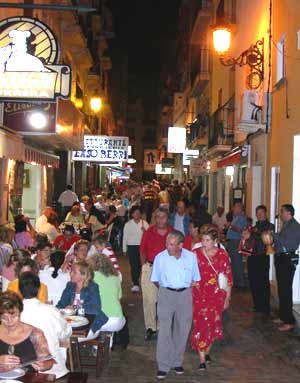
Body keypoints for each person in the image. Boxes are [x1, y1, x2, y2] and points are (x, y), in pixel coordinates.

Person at [151, 230, 200, 380]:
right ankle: (163, 365)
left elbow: (196, 278)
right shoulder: (160, 258)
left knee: (183, 329)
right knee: (165, 329)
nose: (167, 247)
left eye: (171, 244)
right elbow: (155, 279)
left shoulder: (191, 257)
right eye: (167, 243)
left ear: (180, 245)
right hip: (166, 293)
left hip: (185, 295)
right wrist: (167, 290)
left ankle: (177, 361)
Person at [191, 228, 232, 371]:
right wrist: (191, 282)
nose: (204, 243)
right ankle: (202, 359)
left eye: (208, 240)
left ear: (215, 241)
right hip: (198, 294)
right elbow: (188, 271)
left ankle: (207, 350)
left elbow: (228, 277)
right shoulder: (195, 254)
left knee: (213, 324)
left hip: (216, 295)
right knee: (200, 325)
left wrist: (227, 298)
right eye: (203, 240)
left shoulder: (222, 255)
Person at [19, 272, 72, 378]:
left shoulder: (14, 314)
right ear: (39, 290)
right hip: (53, 370)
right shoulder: (52, 311)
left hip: (21, 371)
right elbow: (66, 333)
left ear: (20, 291)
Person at [140, 207, 173, 340]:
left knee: (165, 300)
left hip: (167, 270)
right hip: (150, 266)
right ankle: (150, 327)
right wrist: (144, 267)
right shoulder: (149, 232)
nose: (160, 220)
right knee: (149, 299)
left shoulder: (172, 233)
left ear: (167, 218)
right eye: (158, 217)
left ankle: (163, 326)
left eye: (163, 217)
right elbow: (142, 250)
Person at [0, 291, 54, 372]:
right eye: (4, 318)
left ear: (20, 312)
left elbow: (49, 362)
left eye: (14, 316)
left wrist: (44, 365)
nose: (9, 321)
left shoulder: (35, 334)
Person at [56, 261, 108, 337]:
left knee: (68, 340)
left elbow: (95, 309)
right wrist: (59, 310)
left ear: (83, 275)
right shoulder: (70, 286)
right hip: (72, 324)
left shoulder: (92, 287)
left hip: (91, 324)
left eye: (74, 272)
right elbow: (60, 305)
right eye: (71, 271)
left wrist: (74, 308)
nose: (70, 274)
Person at [272, 204, 300, 331]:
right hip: (282, 258)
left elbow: (290, 243)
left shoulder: (295, 226)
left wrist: (275, 235)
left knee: (286, 290)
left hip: (287, 260)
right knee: (282, 289)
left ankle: (289, 321)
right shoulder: (288, 225)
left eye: (282, 211)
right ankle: (283, 317)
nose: (280, 214)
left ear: (288, 213)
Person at [89, 254, 126, 334]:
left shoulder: (90, 277)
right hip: (116, 320)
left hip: (97, 319)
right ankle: (108, 343)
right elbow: (118, 298)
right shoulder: (115, 278)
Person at [249, 205, 274, 315]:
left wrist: (255, 232)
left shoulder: (270, 226)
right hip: (252, 256)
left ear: (265, 213)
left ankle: (265, 307)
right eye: (257, 212)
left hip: (263, 256)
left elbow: (267, 239)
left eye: (261, 212)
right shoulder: (254, 227)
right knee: (253, 281)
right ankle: (257, 305)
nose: (259, 215)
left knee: (263, 282)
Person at [123, 206, 149, 292]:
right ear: (132, 214)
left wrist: (145, 231)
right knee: (133, 265)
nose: (137, 214)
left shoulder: (144, 223)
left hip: (142, 246)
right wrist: (124, 249)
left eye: (138, 212)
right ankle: (135, 283)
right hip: (131, 246)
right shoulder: (128, 224)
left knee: (140, 265)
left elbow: (149, 235)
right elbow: (125, 237)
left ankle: (137, 279)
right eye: (135, 213)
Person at [226, 202, 247, 287]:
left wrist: (230, 226)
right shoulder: (236, 217)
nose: (233, 209)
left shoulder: (241, 218)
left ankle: (240, 283)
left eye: (235, 207)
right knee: (233, 263)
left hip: (236, 241)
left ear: (239, 208)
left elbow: (240, 230)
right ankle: (235, 281)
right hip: (232, 241)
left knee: (237, 262)